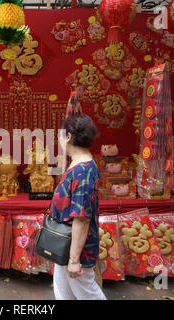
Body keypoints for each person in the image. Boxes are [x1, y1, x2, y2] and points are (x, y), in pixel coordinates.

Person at [49, 113, 106, 300]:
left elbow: (81, 218)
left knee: (88, 295)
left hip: (74, 249)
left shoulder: (83, 171)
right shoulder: (77, 165)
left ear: (68, 137)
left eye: (60, 135)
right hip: (63, 245)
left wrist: (74, 259)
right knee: (63, 294)